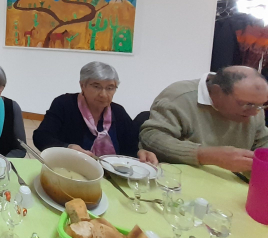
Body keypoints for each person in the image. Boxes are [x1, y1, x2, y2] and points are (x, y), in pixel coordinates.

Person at [140, 66, 268, 172]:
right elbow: (151, 137)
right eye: (247, 104)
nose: (255, 112)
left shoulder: (256, 109)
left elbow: (262, 144)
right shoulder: (179, 97)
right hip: (179, 177)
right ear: (216, 91)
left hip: (230, 182)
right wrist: (207, 155)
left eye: (262, 105)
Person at [33, 61, 158, 164]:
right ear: (82, 86)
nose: (103, 94)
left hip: (111, 174)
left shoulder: (118, 112)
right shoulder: (64, 104)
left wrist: (140, 153)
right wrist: (68, 148)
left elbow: (130, 147)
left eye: (110, 88)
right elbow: (41, 137)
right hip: (70, 169)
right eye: (96, 86)